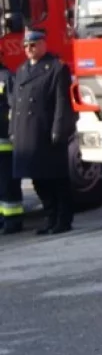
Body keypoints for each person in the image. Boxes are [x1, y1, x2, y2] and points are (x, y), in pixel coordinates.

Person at [10, 27, 76, 235]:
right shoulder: (22, 70)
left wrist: (59, 129)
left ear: (43, 44)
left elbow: (61, 102)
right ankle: (50, 217)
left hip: (46, 131)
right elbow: (16, 104)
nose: (29, 49)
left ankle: (63, 219)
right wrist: (13, 130)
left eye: (33, 44)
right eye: (26, 46)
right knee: (38, 179)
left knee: (56, 178)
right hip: (27, 132)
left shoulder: (56, 67)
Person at [0, 54, 23, 234]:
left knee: (8, 184)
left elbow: (14, 107)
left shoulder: (6, 77)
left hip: (4, 143)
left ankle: (13, 221)